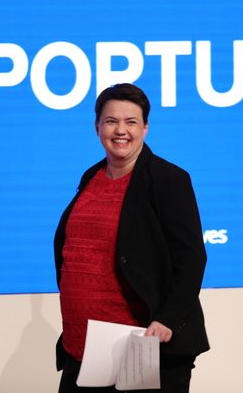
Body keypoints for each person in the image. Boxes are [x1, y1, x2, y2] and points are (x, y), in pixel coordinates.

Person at [54, 83, 210, 392]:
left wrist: (168, 319)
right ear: (97, 126)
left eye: (131, 122)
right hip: (84, 347)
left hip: (145, 346)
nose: (120, 130)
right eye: (111, 121)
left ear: (146, 128)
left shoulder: (169, 179)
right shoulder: (91, 177)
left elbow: (192, 258)